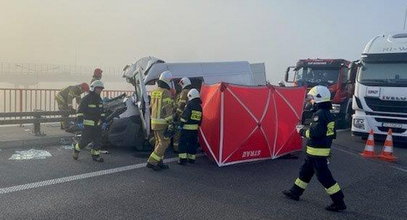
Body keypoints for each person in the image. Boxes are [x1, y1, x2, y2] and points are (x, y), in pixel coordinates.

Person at [282, 85, 346, 212]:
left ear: (318, 98)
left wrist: (301, 131)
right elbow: (330, 134)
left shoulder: (320, 114)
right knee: (304, 173)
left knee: (324, 178)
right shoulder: (328, 113)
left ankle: (339, 202)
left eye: (311, 98)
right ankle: (295, 192)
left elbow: (315, 133)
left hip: (317, 152)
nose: (310, 101)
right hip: (317, 152)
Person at [146, 71, 175, 171]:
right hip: (162, 122)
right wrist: (170, 122)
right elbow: (167, 108)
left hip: (154, 121)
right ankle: (152, 161)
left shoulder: (154, 91)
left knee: (158, 142)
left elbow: (151, 106)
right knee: (164, 143)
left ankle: (159, 162)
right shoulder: (166, 92)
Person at [73, 80, 106, 162]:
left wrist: (104, 121)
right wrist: (80, 121)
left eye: (101, 89)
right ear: (93, 88)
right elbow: (80, 111)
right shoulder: (86, 99)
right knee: (84, 142)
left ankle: (95, 155)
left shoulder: (100, 99)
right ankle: (76, 148)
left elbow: (102, 112)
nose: (100, 90)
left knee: (98, 141)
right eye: (98, 88)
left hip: (97, 125)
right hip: (88, 125)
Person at [177, 89, 202, 165]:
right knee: (192, 144)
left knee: (183, 143)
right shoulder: (199, 106)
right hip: (194, 129)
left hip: (186, 128)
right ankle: (191, 159)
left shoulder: (189, 104)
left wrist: (180, 125)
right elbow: (200, 120)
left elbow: (185, 117)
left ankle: (182, 160)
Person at [173, 77, 193, 152]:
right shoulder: (191, 92)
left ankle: (177, 148)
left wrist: (176, 115)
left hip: (181, 116)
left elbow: (181, 105)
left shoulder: (184, 92)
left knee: (177, 133)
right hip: (188, 116)